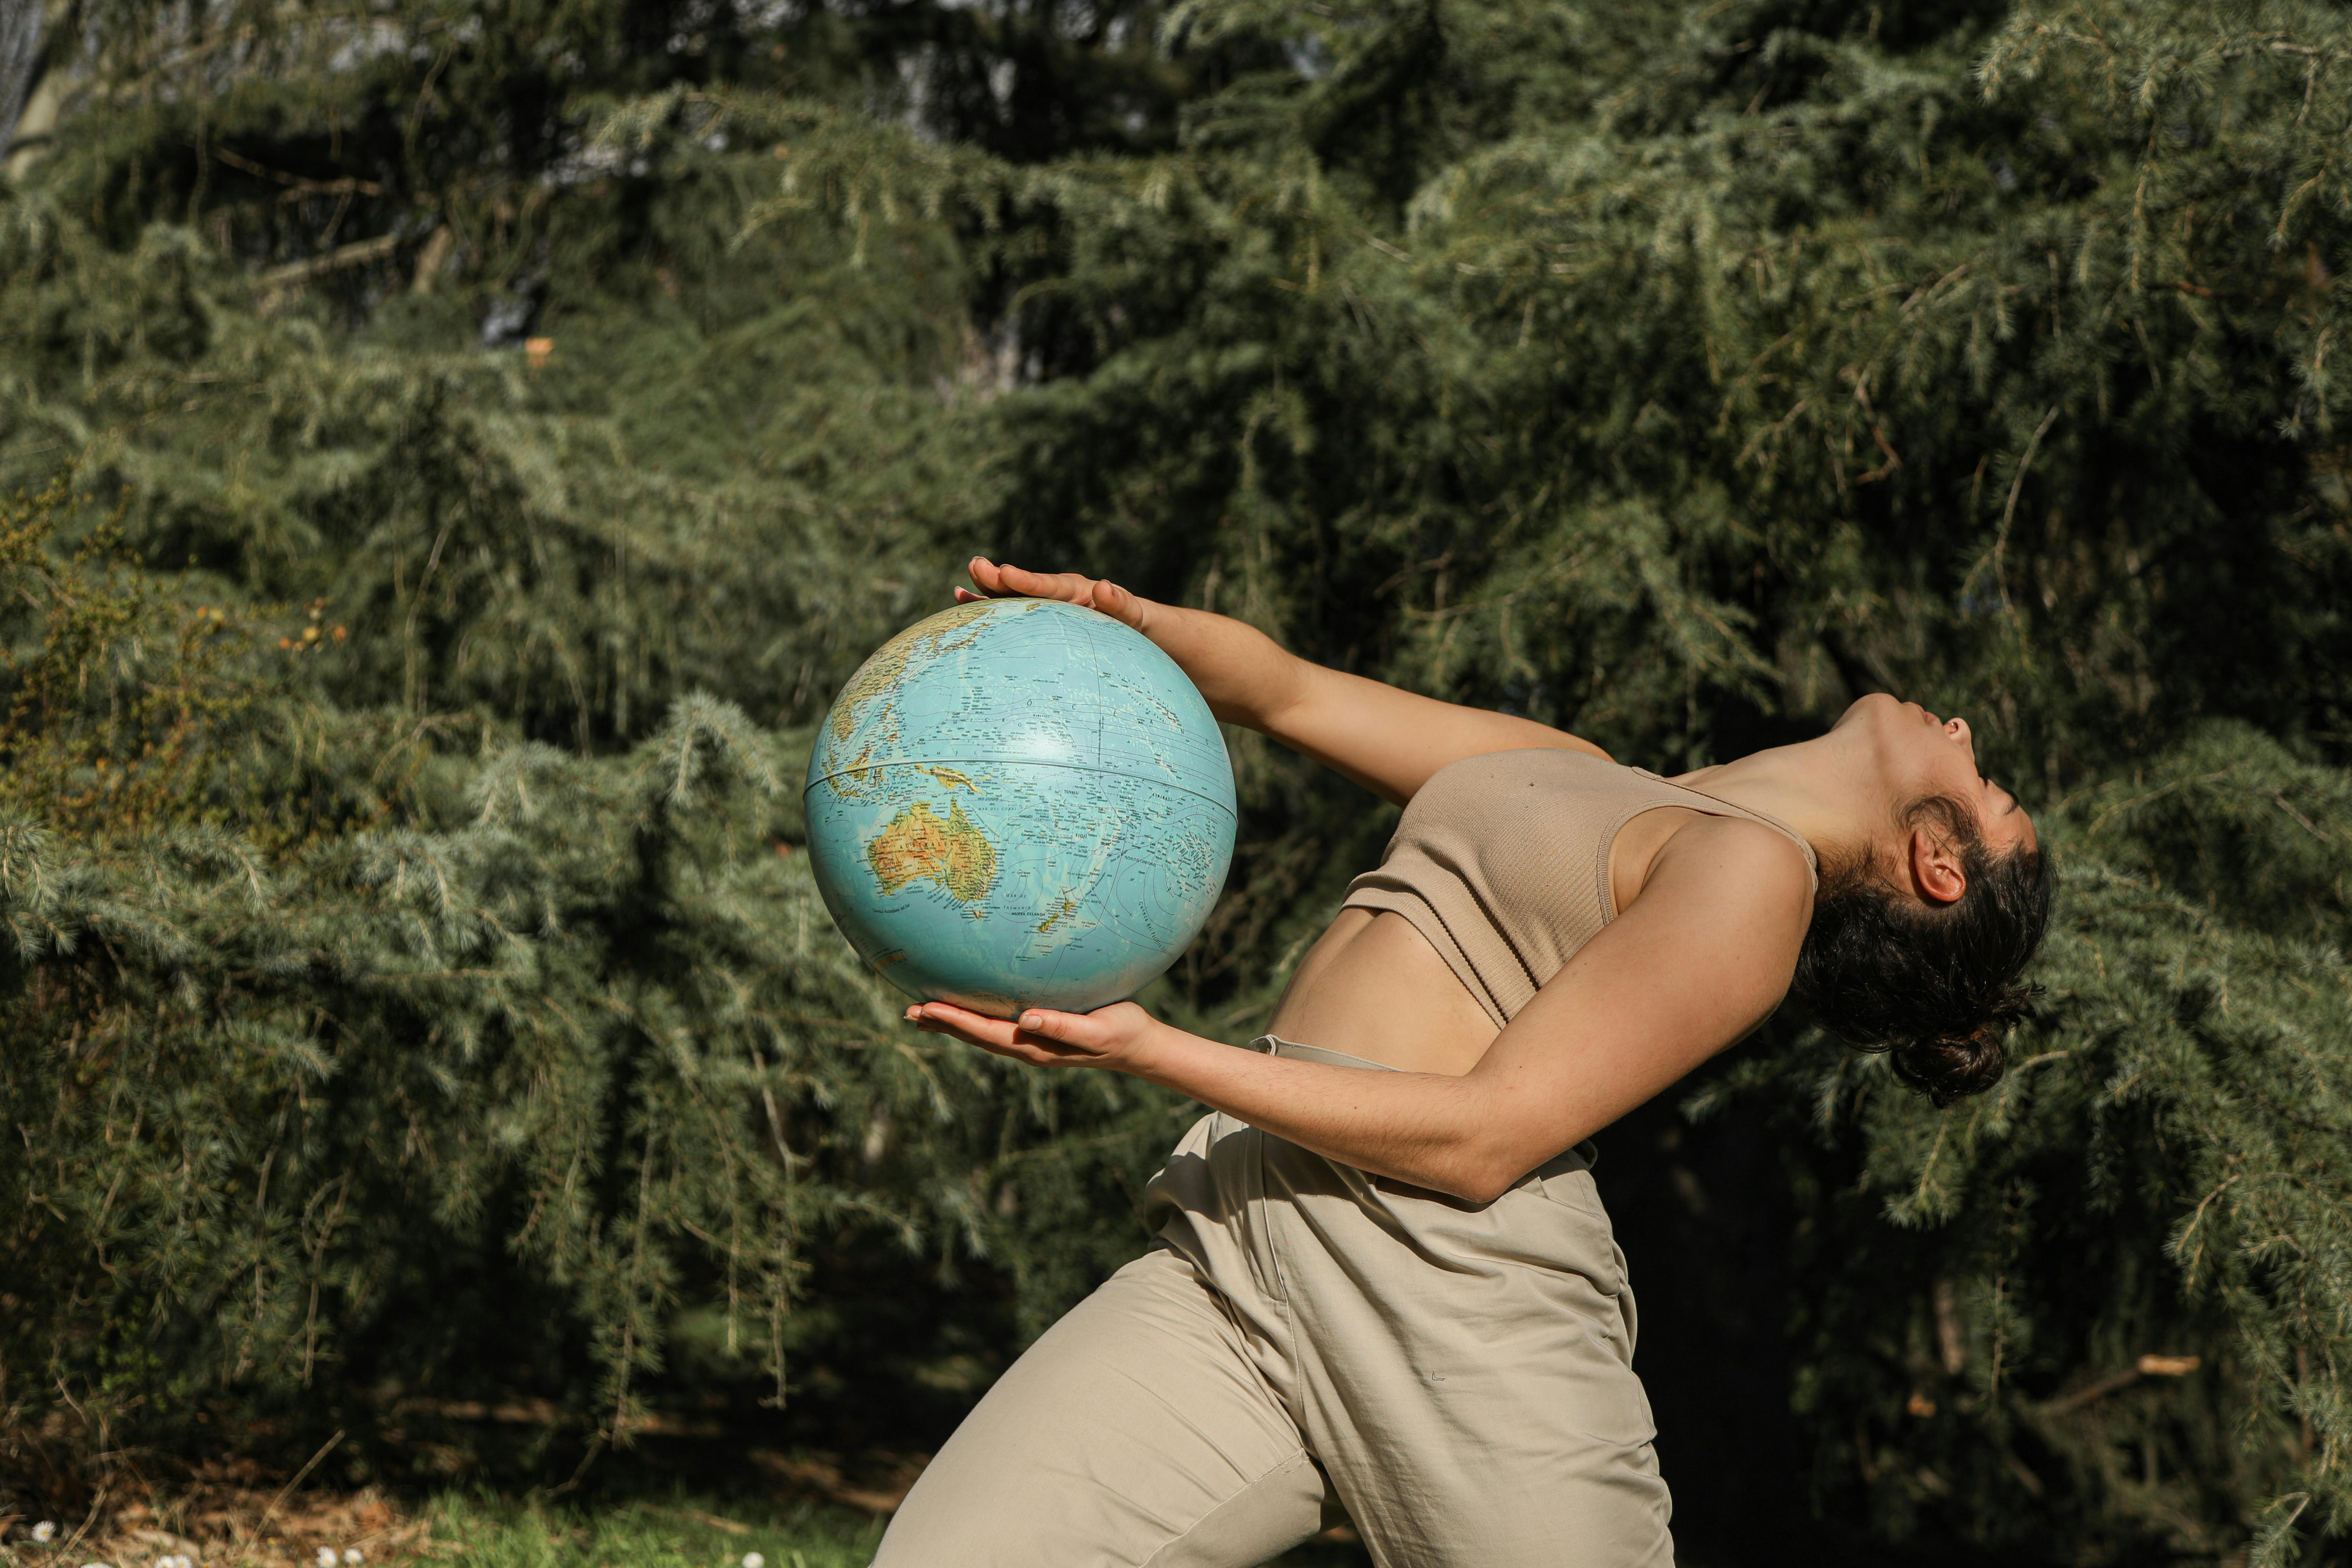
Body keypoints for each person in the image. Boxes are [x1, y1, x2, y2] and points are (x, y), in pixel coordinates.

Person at [871, 559, 2052, 1568]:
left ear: (1936, 865)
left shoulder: (1759, 881)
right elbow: (1286, 691)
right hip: (1254, 1236)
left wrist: (1154, 1051)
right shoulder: (1598, 773)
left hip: (1458, 1301)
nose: (1960, 732)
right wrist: (1120, 620)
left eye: (1987, 789)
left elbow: (1485, 1139)